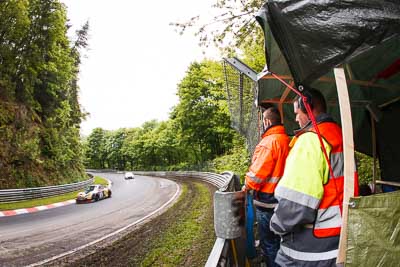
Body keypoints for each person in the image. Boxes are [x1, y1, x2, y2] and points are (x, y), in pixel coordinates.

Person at [270, 88, 359, 266]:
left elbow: (296, 205)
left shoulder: (311, 140)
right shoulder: (341, 135)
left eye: (297, 113)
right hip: (341, 241)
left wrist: (276, 225)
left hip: (308, 251)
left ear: (309, 107)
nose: (296, 119)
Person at [244, 106, 290, 267]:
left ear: (267, 121)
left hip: (267, 203)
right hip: (286, 202)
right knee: (285, 243)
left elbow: (256, 177)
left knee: (270, 244)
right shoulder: (288, 140)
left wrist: (245, 186)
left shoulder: (268, 143)